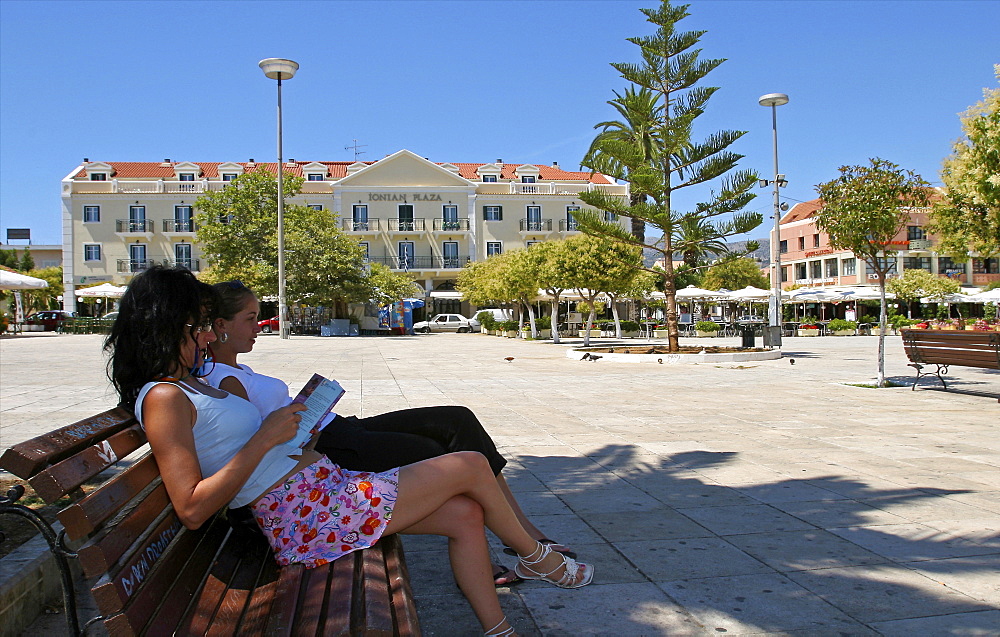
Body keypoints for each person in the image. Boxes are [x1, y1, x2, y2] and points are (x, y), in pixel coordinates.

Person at [104, 266, 592, 637]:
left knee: (464, 512)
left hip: (321, 492)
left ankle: (498, 630)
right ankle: (536, 558)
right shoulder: (165, 397)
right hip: (303, 516)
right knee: (468, 463)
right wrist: (265, 438)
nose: (209, 335)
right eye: (200, 325)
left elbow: (248, 452)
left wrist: (297, 436)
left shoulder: (189, 384)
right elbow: (191, 507)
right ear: (171, 325)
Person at [205, 280, 574, 586]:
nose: (260, 325)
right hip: (328, 451)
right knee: (434, 452)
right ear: (220, 325)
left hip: (338, 430)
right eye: (251, 318)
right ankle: (507, 554)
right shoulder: (224, 380)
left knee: (457, 420)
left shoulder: (241, 369)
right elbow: (260, 450)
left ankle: (524, 534)